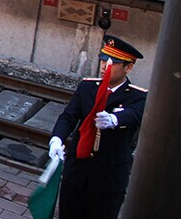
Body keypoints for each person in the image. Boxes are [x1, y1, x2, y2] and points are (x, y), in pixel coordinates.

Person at [48, 35, 148, 219]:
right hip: (77, 171)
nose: (104, 67)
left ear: (128, 67)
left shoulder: (137, 96)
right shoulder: (87, 87)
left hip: (108, 178)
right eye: (103, 61)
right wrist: (56, 139)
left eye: (112, 63)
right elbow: (69, 116)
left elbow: (134, 114)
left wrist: (114, 119)